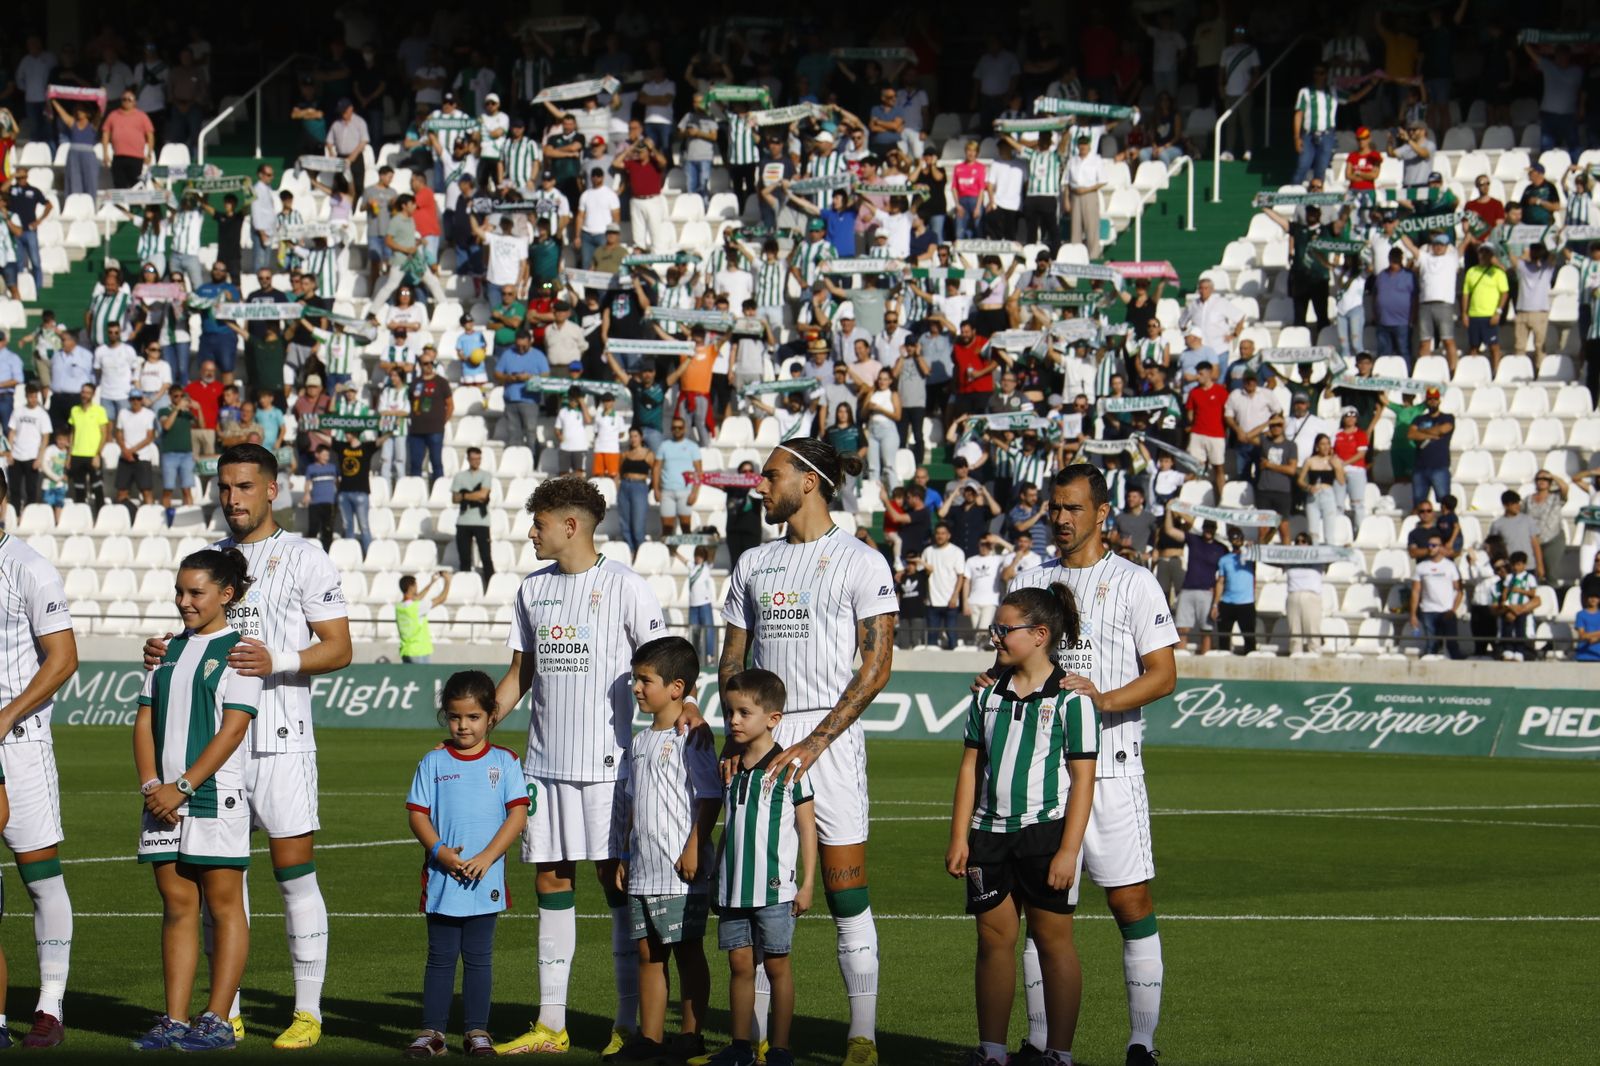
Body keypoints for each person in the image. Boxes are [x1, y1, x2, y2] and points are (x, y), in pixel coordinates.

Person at [141, 443, 352, 1048]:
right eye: (224, 487)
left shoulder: (306, 557)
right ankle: (220, 1011)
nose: (232, 499)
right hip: (211, 749)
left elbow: (339, 647)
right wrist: (161, 650)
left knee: (292, 873)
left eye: (244, 487)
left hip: (279, 740)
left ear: (271, 490)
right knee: (216, 879)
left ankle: (307, 1011)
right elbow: (195, 635)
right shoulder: (211, 562)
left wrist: (277, 659)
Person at [975, 464, 1177, 1065]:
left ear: (1102, 513)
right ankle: (1039, 1044)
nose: (1061, 519)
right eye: (1055, 508)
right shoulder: (1033, 581)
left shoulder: (1136, 583)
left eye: (1073, 509)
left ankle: (1141, 1042)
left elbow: (1163, 675)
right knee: (1042, 911)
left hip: (1111, 768)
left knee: (1129, 903)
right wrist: (996, 674)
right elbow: (1018, 663)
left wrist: (1100, 700)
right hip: (1041, 778)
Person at [491, 477, 691, 1059]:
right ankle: (551, 1023)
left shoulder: (628, 586)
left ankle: (626, 1022)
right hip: (545, 766)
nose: (533, 532)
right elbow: (519, 674)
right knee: (551, 882)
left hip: (609, 769)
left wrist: (691, 711)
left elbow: (664, 663)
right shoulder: (531, 590)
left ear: (570, 525)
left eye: (540, 523)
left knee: (617, 886)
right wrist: (483, 722)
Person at [720, 437, 896, 1065]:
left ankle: (862, 1037)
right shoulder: (751, 563)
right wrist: (735, 732)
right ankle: (765, 1043)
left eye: (770, 477)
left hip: (832, 747)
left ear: (811, 481)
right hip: (761, 745)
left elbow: (877, 666)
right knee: (758, 893)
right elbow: (733, 659)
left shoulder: (860, 561)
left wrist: (817, 742)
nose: (759, 487)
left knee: (848, 891)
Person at [949, 582, 1097, 1066]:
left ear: (1038, 634)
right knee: (993, 942)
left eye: (1003, 629)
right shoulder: (985, 694)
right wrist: (959, 836)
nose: (995, 637)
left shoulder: (1073, 699)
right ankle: (992, 1051)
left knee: (1054, 944)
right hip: (988, 836)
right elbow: (970, 766)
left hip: (1045, 833)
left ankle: (1059, 1053)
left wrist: (1068, 851)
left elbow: (1082, 780)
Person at [130, 549, 262, 1052]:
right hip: (161, 799)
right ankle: (175, 1018)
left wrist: (181, 786)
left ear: (226, 595)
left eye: (196, 593)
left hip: (212, 797)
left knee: (225, 907)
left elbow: (231, 731)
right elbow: (144, 718)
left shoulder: (241, 652)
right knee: (178, 906)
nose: (184, 601)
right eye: (180, 592)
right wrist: (151, 786)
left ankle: (219, 1019)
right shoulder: (164, 650)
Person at [403, 670, 530, 1058]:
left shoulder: (506, 761)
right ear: (446, 715)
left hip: (485, 878)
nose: (464, 725)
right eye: (456, 717)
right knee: (440, 957)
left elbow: (517, 815)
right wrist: (441, 852)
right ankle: (433, 1034)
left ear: (491, 715)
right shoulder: (433, 761)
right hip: (443, 877)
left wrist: (488, 857)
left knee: (479, 958)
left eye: (473, 717)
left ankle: (477, 1032)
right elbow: (418, 815)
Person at [701, 669, 818, 1066]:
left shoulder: (789, 769)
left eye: (744, 712)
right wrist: (717, 873)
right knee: (738, 966)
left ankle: (780, 1047)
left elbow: (807, 828)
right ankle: (740, 1047)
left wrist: (807, 884)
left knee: (778, 965)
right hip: (733, 888)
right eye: (729, 711)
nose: (733, 720)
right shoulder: (729, 768)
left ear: (772, 718)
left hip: (774, 889)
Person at [0, 467, 79, 1048]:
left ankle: (49, 1005)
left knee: (39, 877)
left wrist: (5, 715)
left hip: (18, 744)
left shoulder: (29, 567)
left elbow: (63, 658)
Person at [614, 637, 720, 1063]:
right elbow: (635, 803)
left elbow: (710, 796)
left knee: (687, 950)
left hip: (681, 870)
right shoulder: (640, 742)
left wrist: (694, 846)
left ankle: (691, 1035)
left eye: (645, 680)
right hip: (644, 866)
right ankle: (650, 1039)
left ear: (677, 688)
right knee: (648, 952)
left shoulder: (692, 737)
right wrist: (624, 853)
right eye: (635, 680)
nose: (637, 688)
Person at [1409, 532, 1463, 659]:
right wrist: (1412, 615)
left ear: (1441, 547)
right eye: (1429, 545)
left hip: (1446, 611)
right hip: (1428, 610)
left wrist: (1453, 609)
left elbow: (1459, 590)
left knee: (1452, 644)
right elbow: (1415, 591)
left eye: (1434, 545)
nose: (1430, 548)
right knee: (1431, 645)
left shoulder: (1450, 566)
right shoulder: (1421, 567)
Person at [451, 446, 494, 584]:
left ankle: (490, 585)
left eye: (478, 459)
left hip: (481, 522)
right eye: (473, 459)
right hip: (463, 521)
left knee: (486, 557)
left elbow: (483, 495)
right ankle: (466, 585)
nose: (476, 461)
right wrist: (474, 495)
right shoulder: (460, 476)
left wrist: (464, 494)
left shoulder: (486, 475)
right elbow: (455, 498)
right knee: (464, 558)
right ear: (468, 459)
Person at [1211, 529, 1257, 655]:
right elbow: (1220, 582)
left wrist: (1252, 547)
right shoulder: (1224, 559)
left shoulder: (1250, 555)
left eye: (1238, 538)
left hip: (1246, 603)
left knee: (1249, 639)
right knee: (1224, 639)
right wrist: (1215, 604)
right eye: (1234, 538)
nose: (1236, 541)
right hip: (1227, 602)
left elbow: (1263, 547)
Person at [395, 572, 450, 665]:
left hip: (406, 651)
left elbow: (416, 598)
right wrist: (448, 581)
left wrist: (431, 583)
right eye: (416, 585)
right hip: (419, 651)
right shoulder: (417, 607)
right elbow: (442, 598)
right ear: (411, 587)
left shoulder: (399, 607)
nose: (417, 587)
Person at [1496, 551, 1541, 661]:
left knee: (1520, 629)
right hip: (1511, 607)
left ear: (1524, 564)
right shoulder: (1510, 577)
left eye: (1518, 564)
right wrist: (1505, 601)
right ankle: (1508, 649)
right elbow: (1505, 592)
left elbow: (1533, 593)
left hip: (1522, 608)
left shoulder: (1529, 578)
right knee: (1508, 627)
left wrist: (1520, 591)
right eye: (1514, 565)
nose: (1516, 567)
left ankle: (1520, 650)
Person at [1573, 591, 1600, 662]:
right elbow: (1582, 635)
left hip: (1598, 655)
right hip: (1583, 655)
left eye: (1596, 597)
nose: (1593, 599)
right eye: (1591, 597)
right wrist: (1597, 634)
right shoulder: (1580, 614)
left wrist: (1595, 638)